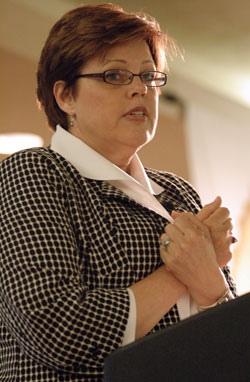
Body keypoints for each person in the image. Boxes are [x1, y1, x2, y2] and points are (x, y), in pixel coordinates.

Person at [0, 4, 237, 381]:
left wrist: (211, 285)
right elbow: (55, 328)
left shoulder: (178, 193)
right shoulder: (36, 173)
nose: (140, 89)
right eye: (114, 75)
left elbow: (237, 341)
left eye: (147, 75)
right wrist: (183, 270)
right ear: (65, 97)